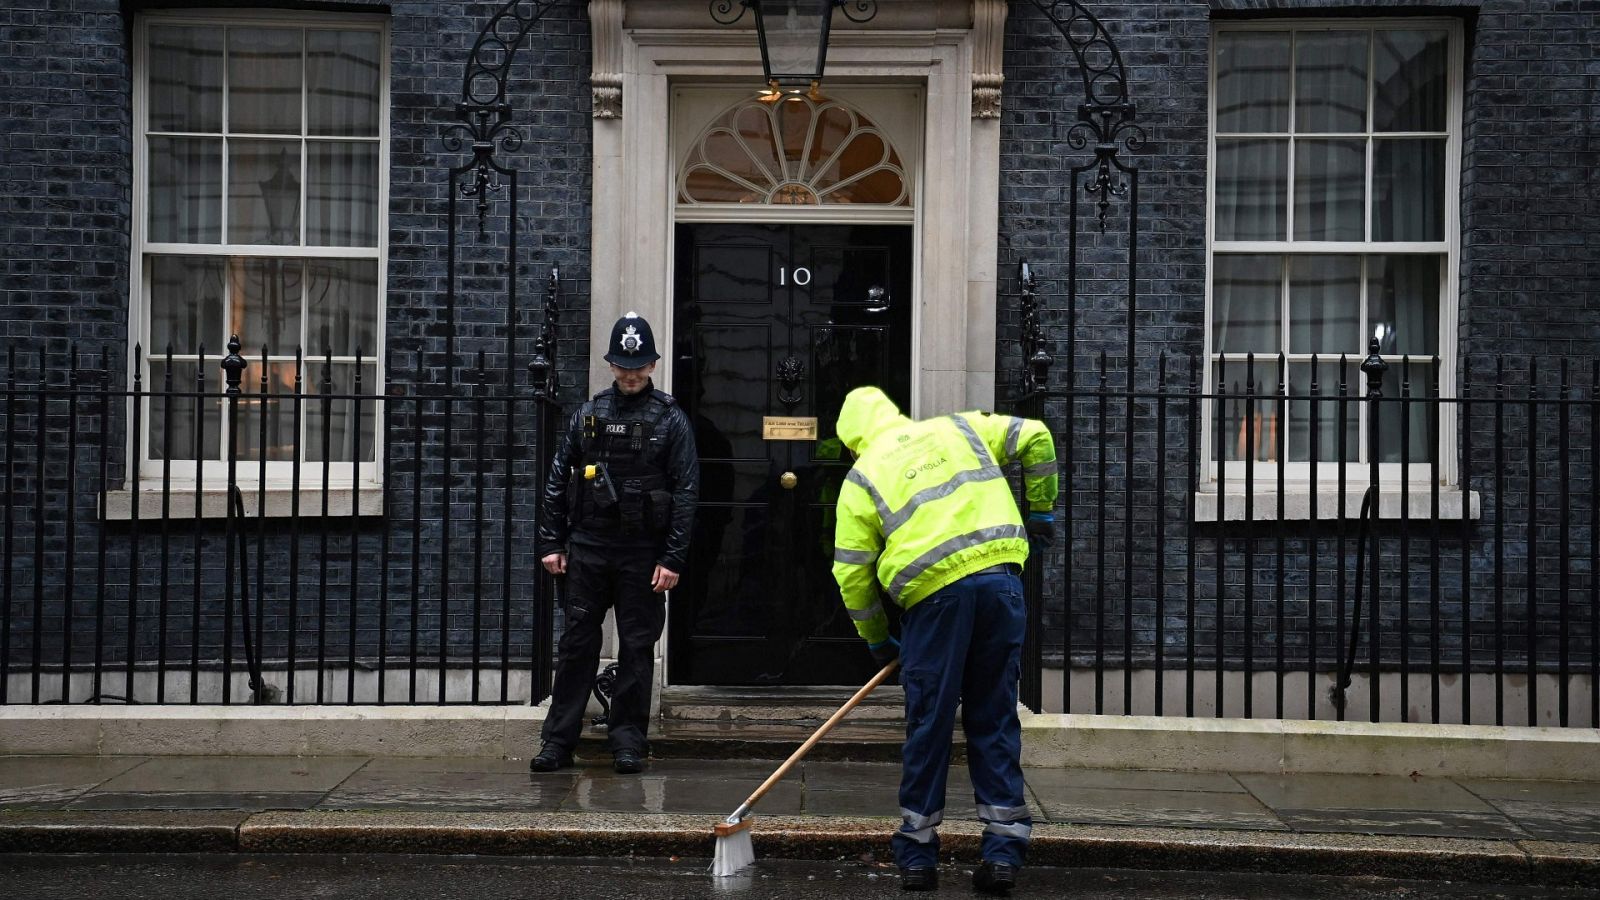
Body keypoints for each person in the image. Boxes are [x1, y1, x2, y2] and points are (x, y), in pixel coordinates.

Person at [830, 386, 1057, 895]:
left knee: (929, 724)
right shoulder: (958, 427)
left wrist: (878, 642)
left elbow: (851, 576)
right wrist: (1040, 512)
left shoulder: (862, 478)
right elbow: (1036, 436)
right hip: (1001, 584)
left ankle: (917, 856)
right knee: (994, 715)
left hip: (936, 603)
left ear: (853, 441)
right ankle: (1003, 852)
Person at [532, 312, 698, 775]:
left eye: (639, 365)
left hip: (643, 554)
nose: (631, 373)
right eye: (624, 365)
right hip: (587, 547)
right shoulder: (588, 414)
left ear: (652, 365)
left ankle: (628, 742)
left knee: (637, 649)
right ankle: (557, 742)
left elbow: (686, 491)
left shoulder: (671, 420)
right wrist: (551, 542)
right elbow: (557, 478)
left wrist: (673, 556)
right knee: (576, 646)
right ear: (611, 365)